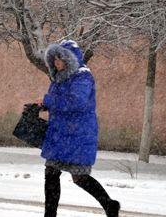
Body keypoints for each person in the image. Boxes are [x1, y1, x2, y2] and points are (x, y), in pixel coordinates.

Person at [37, 40, 120, 217]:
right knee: (51, 172)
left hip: (77, 134)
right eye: (54, 59)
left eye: (59, 59)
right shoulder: (59, 77)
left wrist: (49, 101)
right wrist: (43, 106)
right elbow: (59, 101)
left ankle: (109, 205)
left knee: (79, 177)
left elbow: (76, 103)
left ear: (69, 59)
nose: (56, 63)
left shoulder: (83, 77)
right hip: (60, 133)